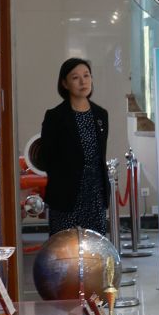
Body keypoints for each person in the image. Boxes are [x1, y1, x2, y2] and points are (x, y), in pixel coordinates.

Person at [38, 58, 112, 236]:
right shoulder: (55, 116)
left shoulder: (101, 114)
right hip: (66, 192)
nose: (83, 82)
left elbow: (100, 154)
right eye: (75, 77)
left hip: (96, 191)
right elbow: (45, 158)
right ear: (64, 83)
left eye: (86, 76)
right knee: (64, 244)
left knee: (95, 244)